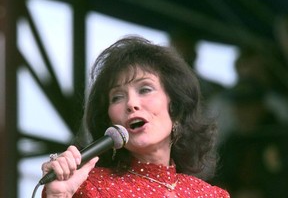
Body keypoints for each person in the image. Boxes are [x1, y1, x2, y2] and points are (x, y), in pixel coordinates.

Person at [41, 36, 230, 197]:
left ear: (176, 108)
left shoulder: (211, 195)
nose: (131, 104)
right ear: (109, 121)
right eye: (117, 97)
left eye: (145, 89)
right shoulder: (90, 188)